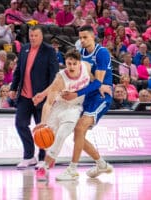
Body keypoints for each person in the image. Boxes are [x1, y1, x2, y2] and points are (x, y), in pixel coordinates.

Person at [56, 25, 113, 181]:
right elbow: (84, 77)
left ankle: (72, 170)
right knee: (77, 134)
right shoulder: (80, 53)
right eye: (80, 38)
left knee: (80, 128)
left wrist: (75, 93)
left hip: (101, 97)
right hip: (87, 95)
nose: (82, 40)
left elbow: (98, 82)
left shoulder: (102, 53)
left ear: (93, 36)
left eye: (85, 37)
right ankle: (101, 164)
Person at [32, 49, 92, 181]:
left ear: (79, 63)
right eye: (68, 63)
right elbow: (48, 103)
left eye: (74, 64)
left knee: (61, 135)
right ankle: (51, 156)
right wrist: (43, 122)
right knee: (47, 138)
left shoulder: (87, 67)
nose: (71, 67)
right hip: (59, 107)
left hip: (74, 108)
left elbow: (95, 80)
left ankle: (45, 166)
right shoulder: (60, 78)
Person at [9, 25, 59, 170]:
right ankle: (29, 156)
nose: (33, 38)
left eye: (36, 35)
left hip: (41, 97)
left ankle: (43, 158)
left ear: (41, 36)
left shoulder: (49, 51)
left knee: (42, 128)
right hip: (24, 96)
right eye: (31, 35)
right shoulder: (24, 49)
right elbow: (18, 71)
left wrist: (49, 95)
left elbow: (54, 74)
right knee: (20, 124)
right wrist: (13, 88)